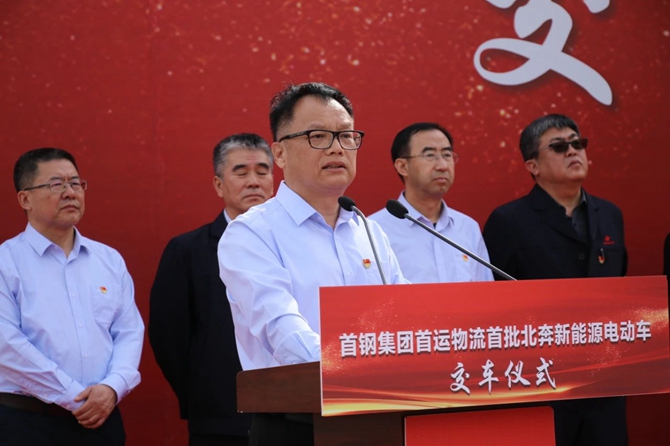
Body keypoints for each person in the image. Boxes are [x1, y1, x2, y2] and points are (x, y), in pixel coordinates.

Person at [218, 82, 407, 446]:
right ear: (280, 153)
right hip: (298, 423)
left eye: (346, 136)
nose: (337, 147)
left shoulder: (369, 231)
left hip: (380, 414)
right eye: (318, 136)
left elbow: (403, 314)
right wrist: (354, 374)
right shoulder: (252, 233)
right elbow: (282, 328)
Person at [483, 114, 628, 446]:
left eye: (578, 144)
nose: (573, 152)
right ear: (533, 166)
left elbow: (621, 283)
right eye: (559, 147)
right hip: (540, 379)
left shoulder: (610, 214)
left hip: (604, 380)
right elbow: (494, 304)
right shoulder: (508, 221)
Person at [0, 148, 144, 445]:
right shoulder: (6, 262)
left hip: (102, 418)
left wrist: (113, 387)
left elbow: (129, 332)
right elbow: (7, 346)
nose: (70, 192)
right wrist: (74, 397)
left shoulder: (108, 260)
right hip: (28, 422)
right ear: (25, 199)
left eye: (76, 183)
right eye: (56, 184)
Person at [149, 133, 274, 446]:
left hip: (293, 413)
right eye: (241, 172)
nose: (254, 181)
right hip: (220, 418)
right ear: (219, 185)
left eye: (262, 171)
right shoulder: (187, 250)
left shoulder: (297, 246)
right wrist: (202, 392)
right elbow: (168, 338)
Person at [370, 122, 494, 283]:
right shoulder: (375, 230)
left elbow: (484, 291)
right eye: (430, 155)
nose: (443, 166)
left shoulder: (467, 228)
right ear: (403, 166)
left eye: (447, 155)